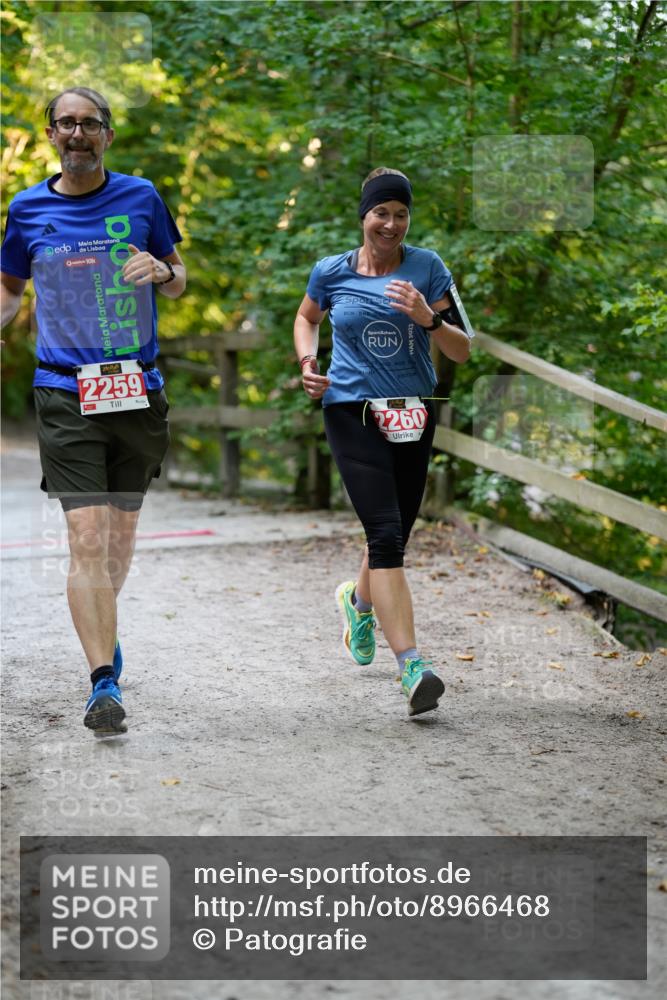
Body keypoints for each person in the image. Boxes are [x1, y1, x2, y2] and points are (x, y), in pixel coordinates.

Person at [0, 87, 186, 735]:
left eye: (90, 124)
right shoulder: (25, 210)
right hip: (63, 390)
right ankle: (102, 681)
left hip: (136, 388)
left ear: (107, 134)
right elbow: (9, 288)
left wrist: (162, 275)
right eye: (67, 124)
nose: (78, 134)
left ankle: (104, 632)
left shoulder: (141, 197)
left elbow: (178, 270)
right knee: (85, 536)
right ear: (51, 134)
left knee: (118, 539)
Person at [293, 167, 472, 716]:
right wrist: (307, 362)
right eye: (381, 213)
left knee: (395, 530)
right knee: (387, 533)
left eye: (400, 214)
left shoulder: (429, 268)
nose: (390, 224)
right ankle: (413, 666)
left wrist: (427, 320)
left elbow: (463, 349)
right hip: (350, 410)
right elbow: (306, 318)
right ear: (364, 217)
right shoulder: (331, 271)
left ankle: (359, 603)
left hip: (412, 413)